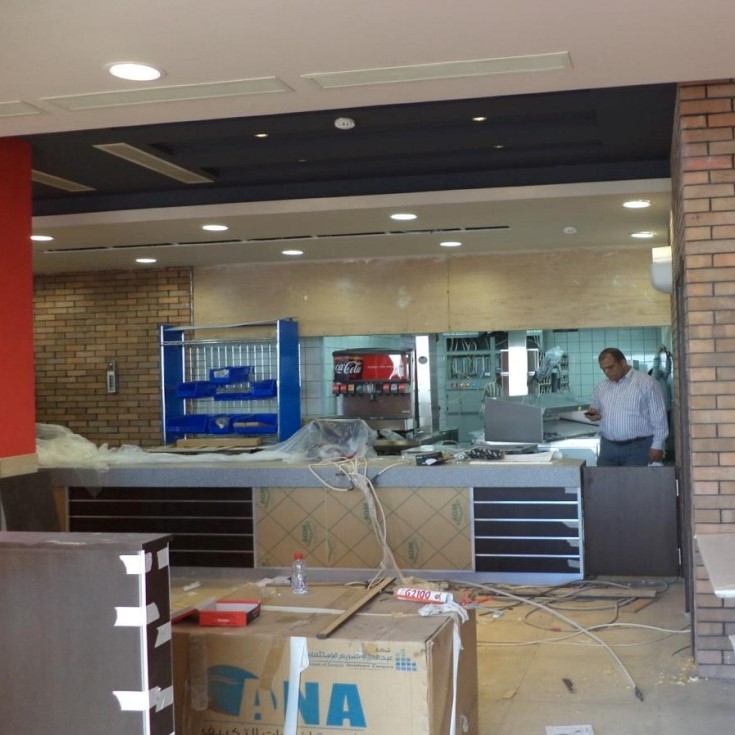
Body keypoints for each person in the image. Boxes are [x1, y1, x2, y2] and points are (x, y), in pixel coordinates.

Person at [584, 347, 668, 467]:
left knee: (634, 479)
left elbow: (659, 418)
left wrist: (657, 445)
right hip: (608, 448)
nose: (606, 372)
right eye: (603, 369)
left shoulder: (647, 383)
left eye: (610, 367)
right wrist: (592, 413)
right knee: (604, 479)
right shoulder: (601, 386)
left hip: (637, 448)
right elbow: (594, 406)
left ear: (623, 363)